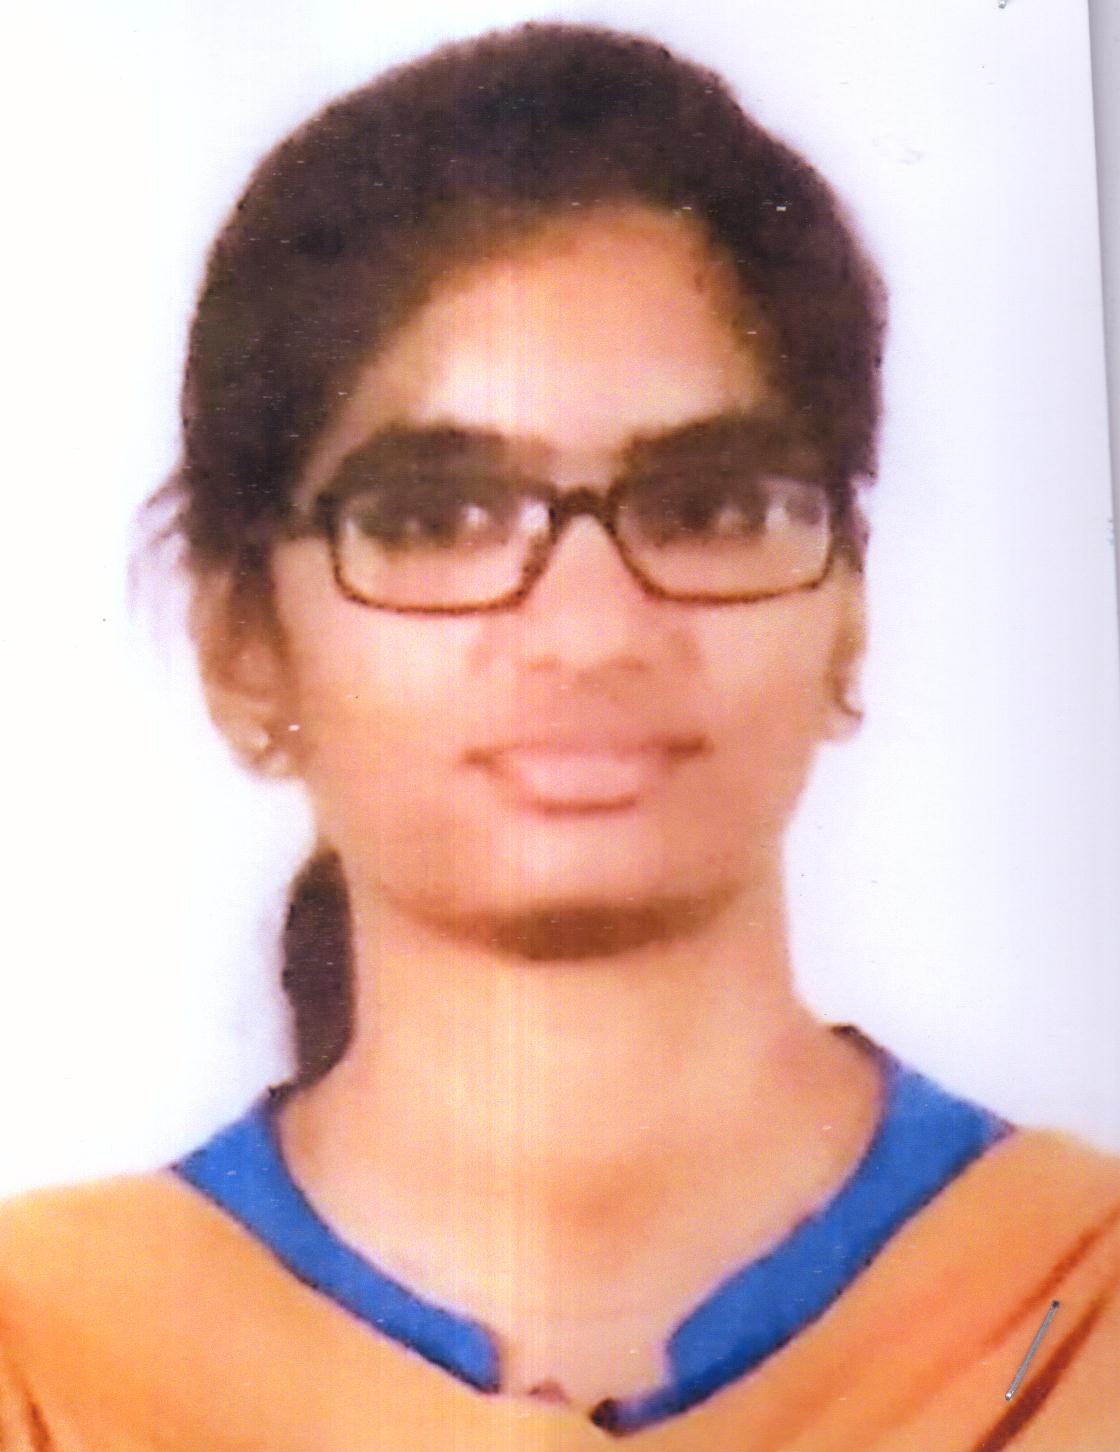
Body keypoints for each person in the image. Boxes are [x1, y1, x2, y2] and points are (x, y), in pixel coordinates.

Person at [1, 23, 1116, 1451]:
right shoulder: (53, 1374)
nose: (590, 634)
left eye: (709, 507)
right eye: (436, 519)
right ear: (245, 647)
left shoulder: (1076, 1321)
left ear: (848, 613)